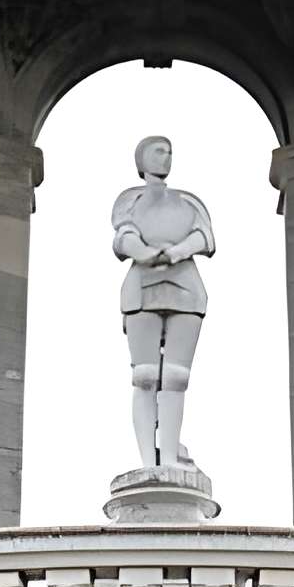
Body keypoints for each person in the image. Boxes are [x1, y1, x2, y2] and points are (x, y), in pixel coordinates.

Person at [111, 136, 214, 470]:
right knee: (144, 376)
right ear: (142, 159)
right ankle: (148, 462)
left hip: (184, 286)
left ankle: (168, 457)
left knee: (176, 377)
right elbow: (124, 235)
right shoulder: (131, 200)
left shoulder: (188, 201)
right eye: (158, 151)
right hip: (142, 287)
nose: (166, 157)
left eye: (169, 152)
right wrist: (147, 254)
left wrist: (176, 252)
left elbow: (204, 236)